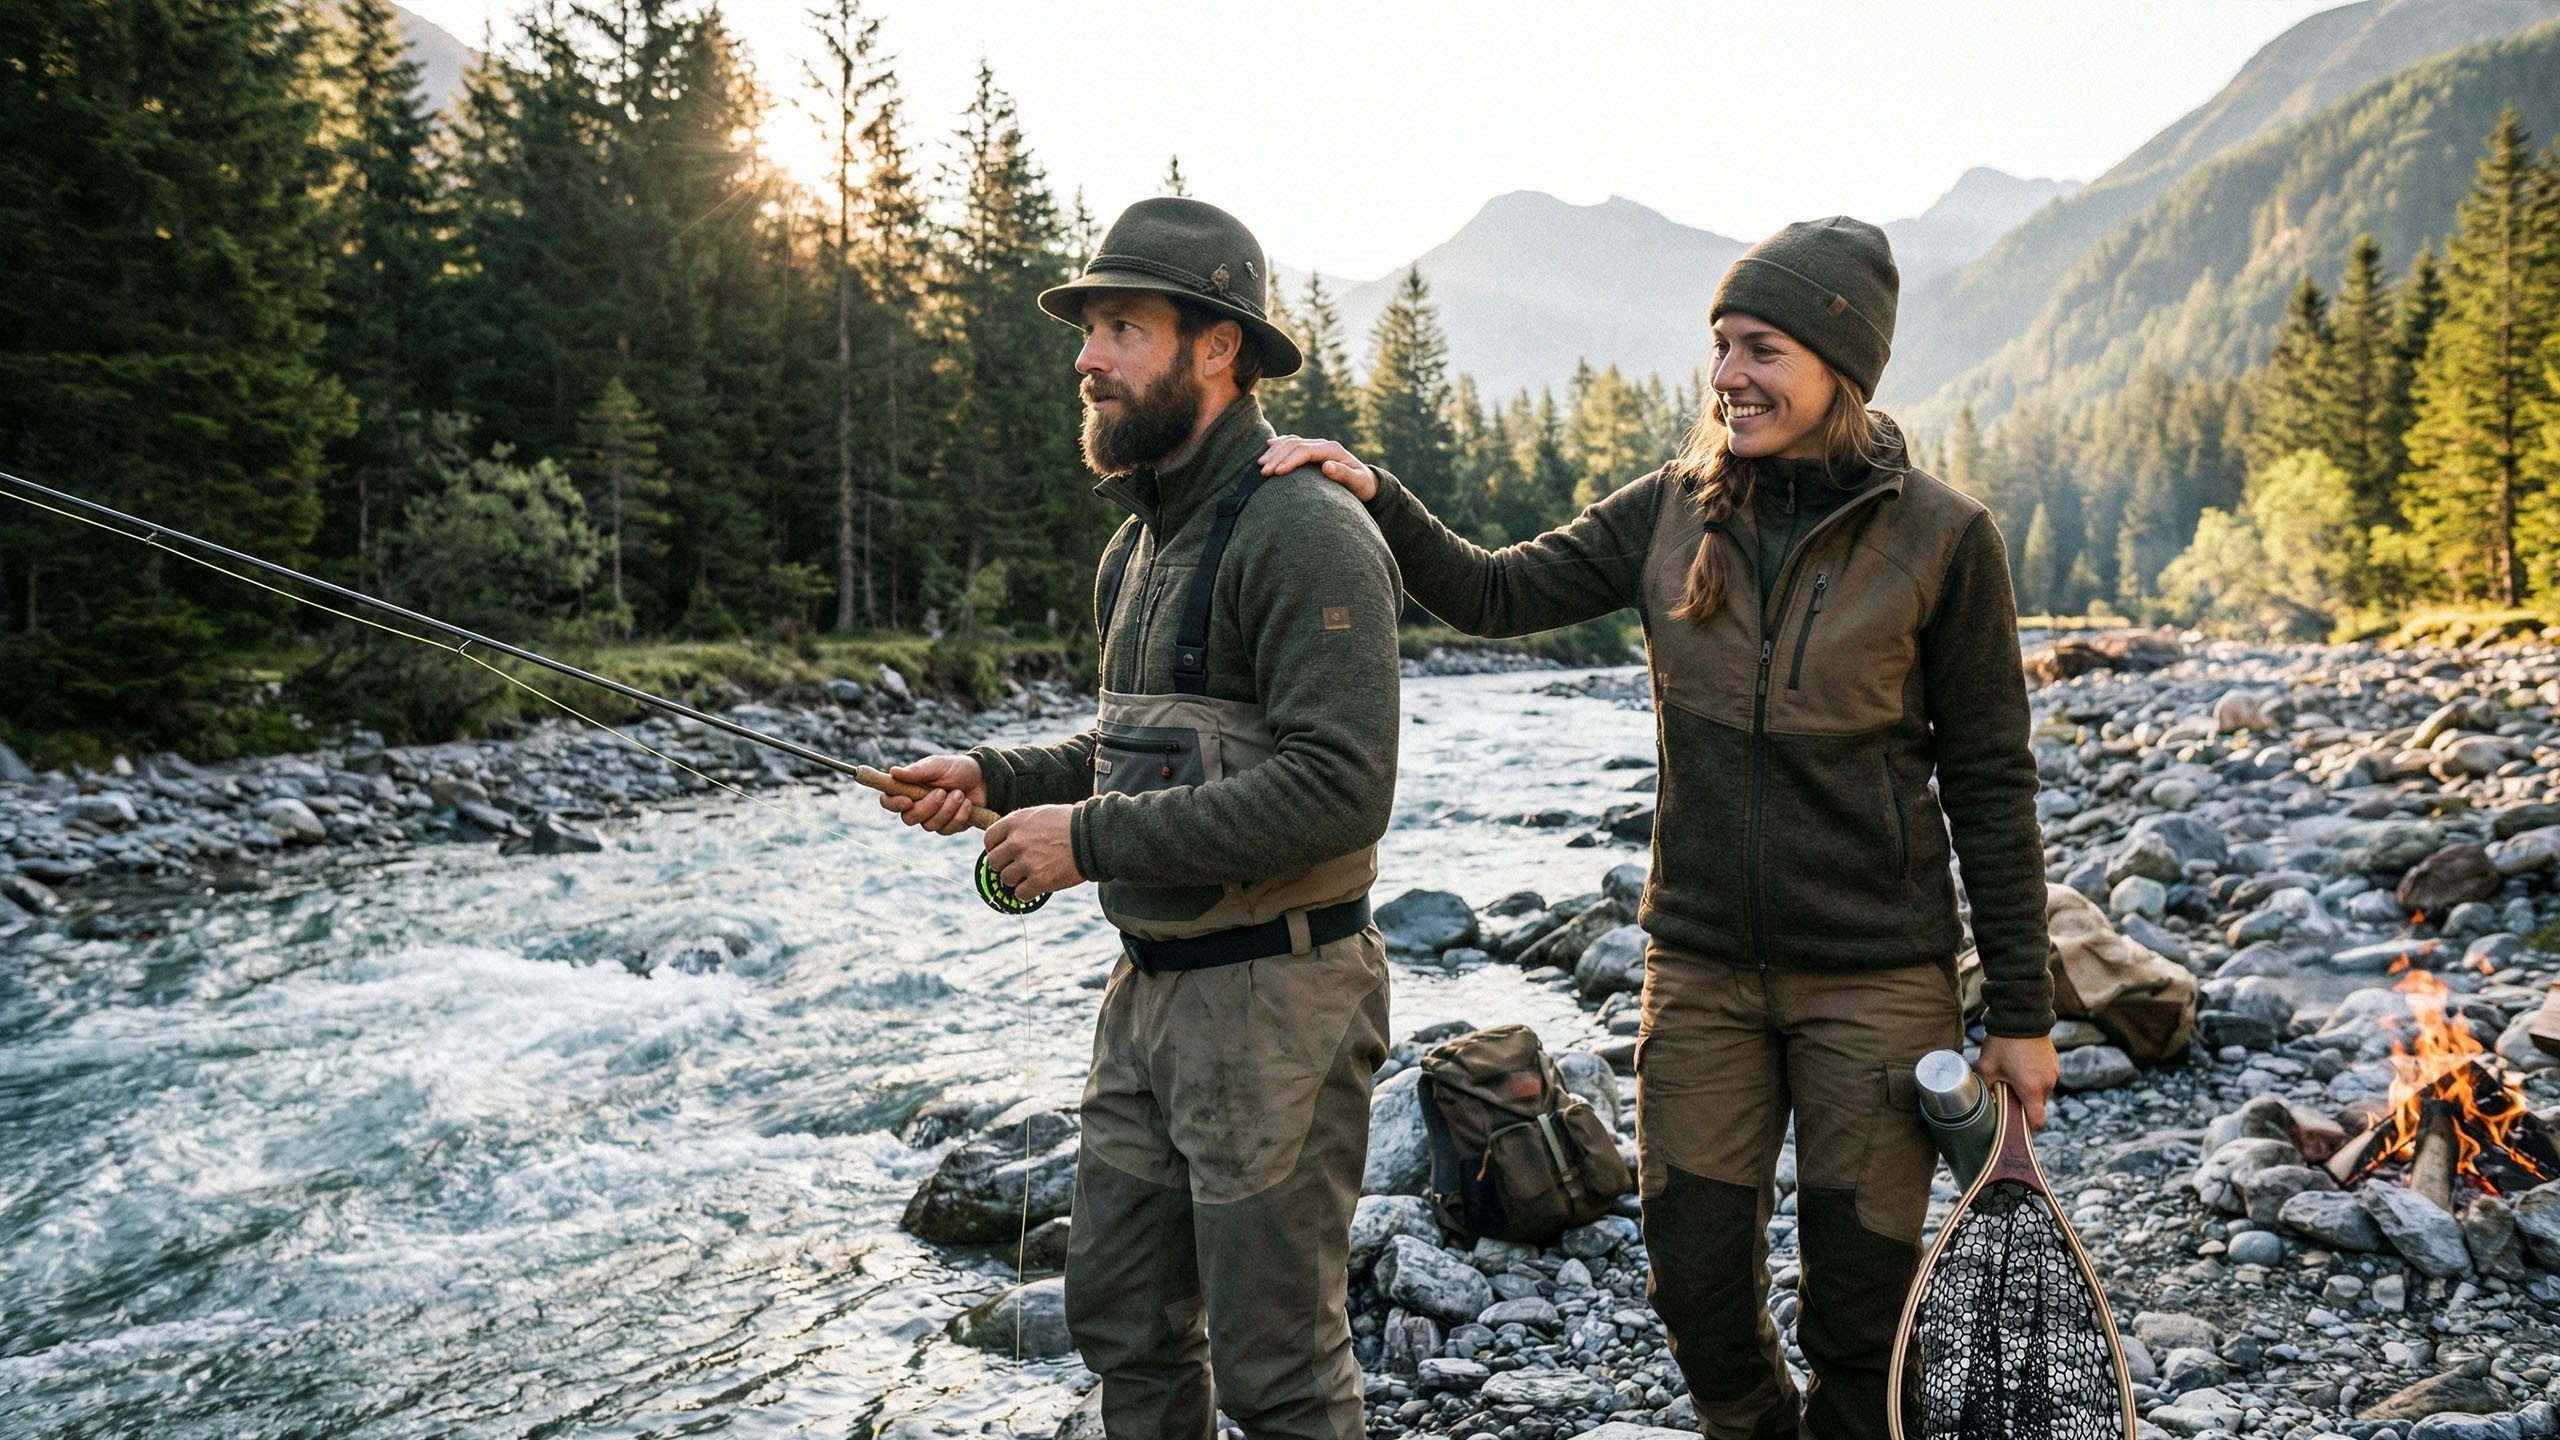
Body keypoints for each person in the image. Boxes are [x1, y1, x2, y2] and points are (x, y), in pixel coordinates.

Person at [1259, 217, 2059, 1440]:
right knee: (1693, 1287)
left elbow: (1992, 785)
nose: (1728, 374)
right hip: (1699, 971)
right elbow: (1492, 590)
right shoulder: (1670, 510)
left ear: (1843, 367)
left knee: (1863, 1311)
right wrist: (1379, 494)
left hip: (1878, 982)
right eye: (1720, 344)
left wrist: (2021, 1017)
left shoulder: (1945, 538)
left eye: (1762, 348)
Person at [882, 197, 1403, 1440]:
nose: (1086, 358)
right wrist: (997, 776)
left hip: (1281, 1005)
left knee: (1278, 1371)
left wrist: (1084, 842)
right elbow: (1124, 754)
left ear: (1217, 348)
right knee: (1122, 1320)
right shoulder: (1135, 549)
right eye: (1088, 331)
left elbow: (1341, 788)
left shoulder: (1310, 533)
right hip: (1149, 997)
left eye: (1121, 328)